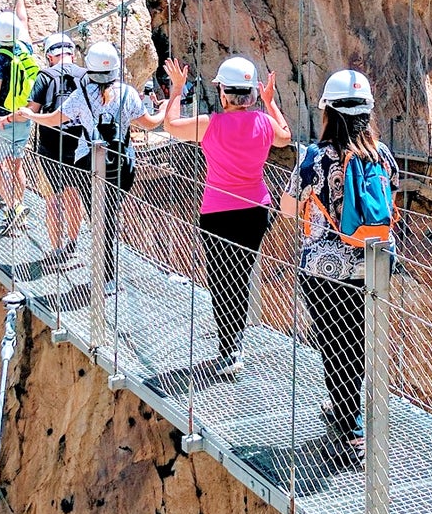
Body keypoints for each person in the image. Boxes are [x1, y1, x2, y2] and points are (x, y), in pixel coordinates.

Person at [281, 69, 396, 461]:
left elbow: (287, 207)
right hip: (374, 263)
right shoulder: (383, 155)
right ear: (367, 113)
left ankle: (353, 428)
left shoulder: (315, 158)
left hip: (324, 268)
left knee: (333, 344)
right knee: (358, 343)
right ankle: (348, 410)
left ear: (327, 112)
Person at [163, 55, 292, 378]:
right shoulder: (264, 121)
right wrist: (271, 103)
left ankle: (229, 347)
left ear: (224, 94)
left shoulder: (211, 124)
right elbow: (285, 136)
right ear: (250, 94)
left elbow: (170, 126)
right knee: (241, 275)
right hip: (257, 210)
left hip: (218, 211)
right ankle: (236, 342)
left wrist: (177, 89)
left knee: (221, 280)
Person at [9, 41, 164, 293]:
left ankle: (106, 275)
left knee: (98, 218)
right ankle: (109, 273)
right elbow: (150, 124)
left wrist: (30, 115)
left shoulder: (81, 94)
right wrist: (167, 105)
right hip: (122, 165)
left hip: (88, 165)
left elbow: (53, 119)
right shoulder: (127, 93)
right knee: (109, 215)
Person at [0, 10, 40, 224]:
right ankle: (17, 213)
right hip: (22, 116)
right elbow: (24, 21)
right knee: (16, 166)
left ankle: (14, 206)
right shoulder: (25, 49)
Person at [29, 33, 88, 265]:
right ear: (72, 54)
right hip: (80, 145)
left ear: (50, 57)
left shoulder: (45, 75)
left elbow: (33, 109)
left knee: (53, 199)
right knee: (74, 195)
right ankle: (72, 244)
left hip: (50, 145)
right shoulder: (85, 76)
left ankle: (55, 248)